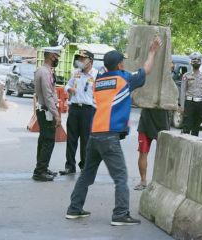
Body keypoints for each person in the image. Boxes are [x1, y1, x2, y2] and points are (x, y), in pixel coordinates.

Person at [66, 37, 162, 226]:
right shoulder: (124, 79)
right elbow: (146, 70)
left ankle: (74, 209)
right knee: (120, 177)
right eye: (122, 62)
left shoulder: (99, 80)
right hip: (109, 136)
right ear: (120, 64)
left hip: (95, 134)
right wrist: (152, 52)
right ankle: (120, 214)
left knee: (86, 174)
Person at [60, 50, 98, 175]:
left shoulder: (96, 75)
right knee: (71, 138)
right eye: (79, 58)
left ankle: (84, 166)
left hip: (88, 110)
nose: (80, 61)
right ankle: (70, 166)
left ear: (90, 61)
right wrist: (69, 89)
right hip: (74, 109)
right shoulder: (76, 73)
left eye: (83, 59)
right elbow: (67, 86)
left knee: (86, 140)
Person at [32, 48, 61, 182]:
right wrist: (56, 114)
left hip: (43, 109)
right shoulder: (45, 72)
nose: (57, 59)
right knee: (48, 141)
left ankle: (42, 168)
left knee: (43, 140)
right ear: (51, 56)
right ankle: (40, 171)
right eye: (56, 56)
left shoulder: (43, 70)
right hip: (46, 110)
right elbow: (48, 95)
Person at [134, 108, 170, 190]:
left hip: (158, 121)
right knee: (145, 153)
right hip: (150, 121)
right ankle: (144, 181)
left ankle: (145, 182)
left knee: (160, 154)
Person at [179, 52, 202, 136]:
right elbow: (183, 91)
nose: (196, 62)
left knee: (196, 128)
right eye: (194, 61)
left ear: (200, 63)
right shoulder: (186, 76)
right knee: (187, 127)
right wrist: (182, 106)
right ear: (191, 63)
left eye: (198, 61)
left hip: (200, 104)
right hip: (189, 103)